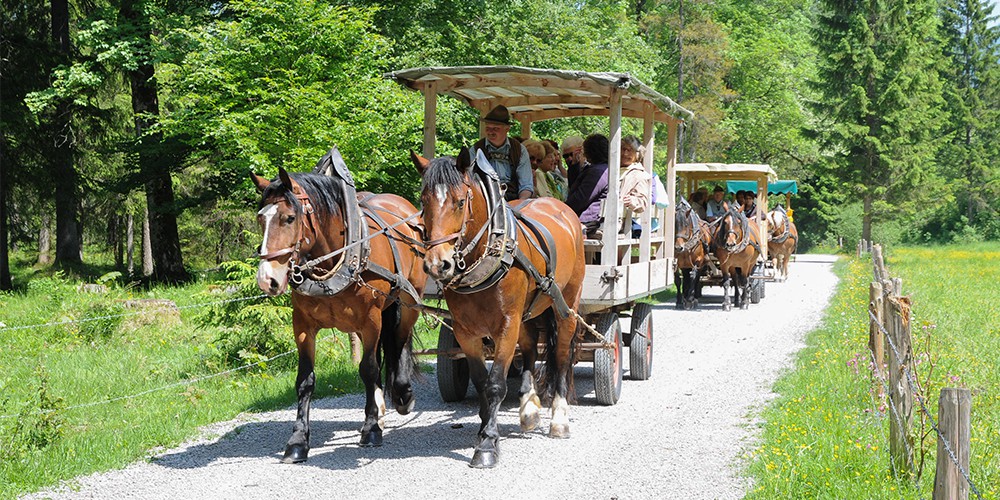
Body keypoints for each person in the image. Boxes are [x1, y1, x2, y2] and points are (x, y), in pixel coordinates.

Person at [474, 105, 533, 201]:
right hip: (485, 200)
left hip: (513, 199)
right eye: (488, 128)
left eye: (496, 129)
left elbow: (526, 185)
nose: (490, 132)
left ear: (507, 129)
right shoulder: (476, 150)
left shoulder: (519, 150)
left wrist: (519, 203)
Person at [565, 134, 609, 237]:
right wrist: (575, 166)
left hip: (588, 221)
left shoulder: (597, 172)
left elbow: (579, 199)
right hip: (591, 219)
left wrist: (560, 208)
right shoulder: (604, 169)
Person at [618, 136, 650, 237]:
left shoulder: (639, 174)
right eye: (623, 149)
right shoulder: (611, 169)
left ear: (637, 154)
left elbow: (642, 201)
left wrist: (632, 201)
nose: (625, 154)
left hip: (620, 222)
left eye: (629, 150)